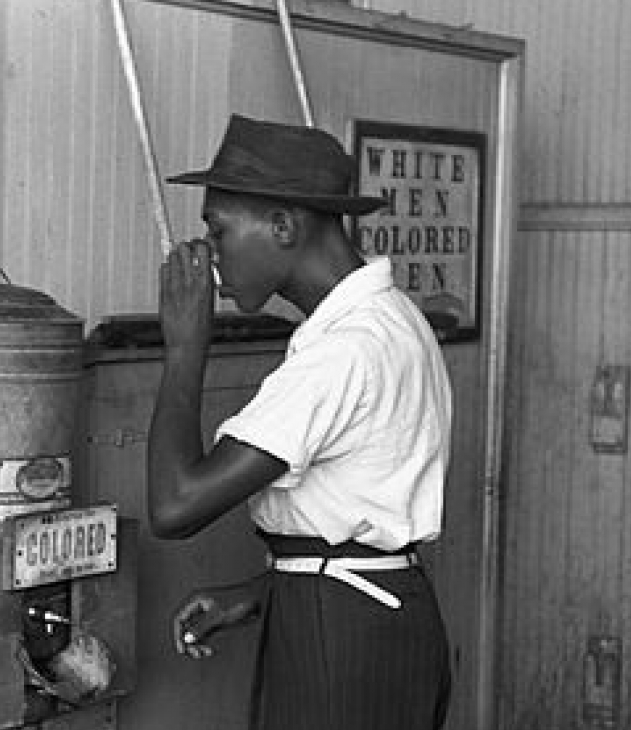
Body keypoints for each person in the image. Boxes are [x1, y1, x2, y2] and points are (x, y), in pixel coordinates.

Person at [146, 114, 453, 730]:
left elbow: (176, 505)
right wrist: (262, 595)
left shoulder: (347, 349)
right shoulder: (389, 319)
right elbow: (359, 522)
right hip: (371, 613)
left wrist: (184, 350)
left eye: (220, 231)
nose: (210, 258)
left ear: (283, 226)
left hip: (342, 637)